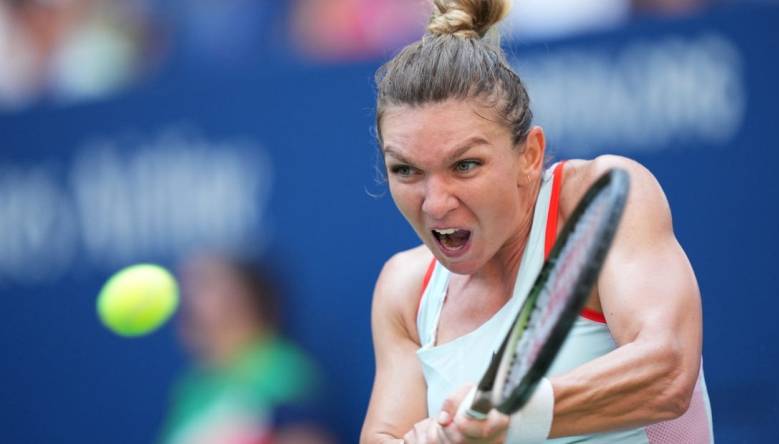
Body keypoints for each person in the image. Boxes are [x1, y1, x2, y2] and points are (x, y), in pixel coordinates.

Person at [360, 1, 713, 443]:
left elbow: (668, 370)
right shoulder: (406, 290)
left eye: (465, 165)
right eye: (406, 170)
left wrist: (509, 412)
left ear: (529, 156)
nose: (435, 204)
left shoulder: (598, 203)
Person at [160, 253, 334, 444]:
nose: (184, 298)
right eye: (183, 285)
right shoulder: (191, 390)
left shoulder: (278, 372)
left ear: (244, 296)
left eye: (203, 284)